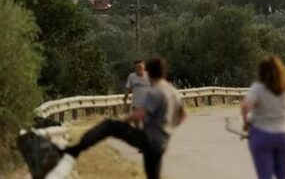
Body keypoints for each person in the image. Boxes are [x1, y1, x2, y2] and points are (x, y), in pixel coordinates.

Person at [46, 57, 186, 179]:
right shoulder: (171, 90)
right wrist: (166, 128)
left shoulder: (155, 91)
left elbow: (139, 114)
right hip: (162, 142)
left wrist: (122, 122)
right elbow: (182, 116)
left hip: (149, 139)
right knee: (153, 176)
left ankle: (74, 150)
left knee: (109, 125)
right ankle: (73, 150)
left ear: (149, 72)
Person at [241, 56, 285, 179]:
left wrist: (245, 122)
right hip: (284, 134)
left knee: (264, 175)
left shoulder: (258, 88)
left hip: (262, 133)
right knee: (283, 174)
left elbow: (245, 106)